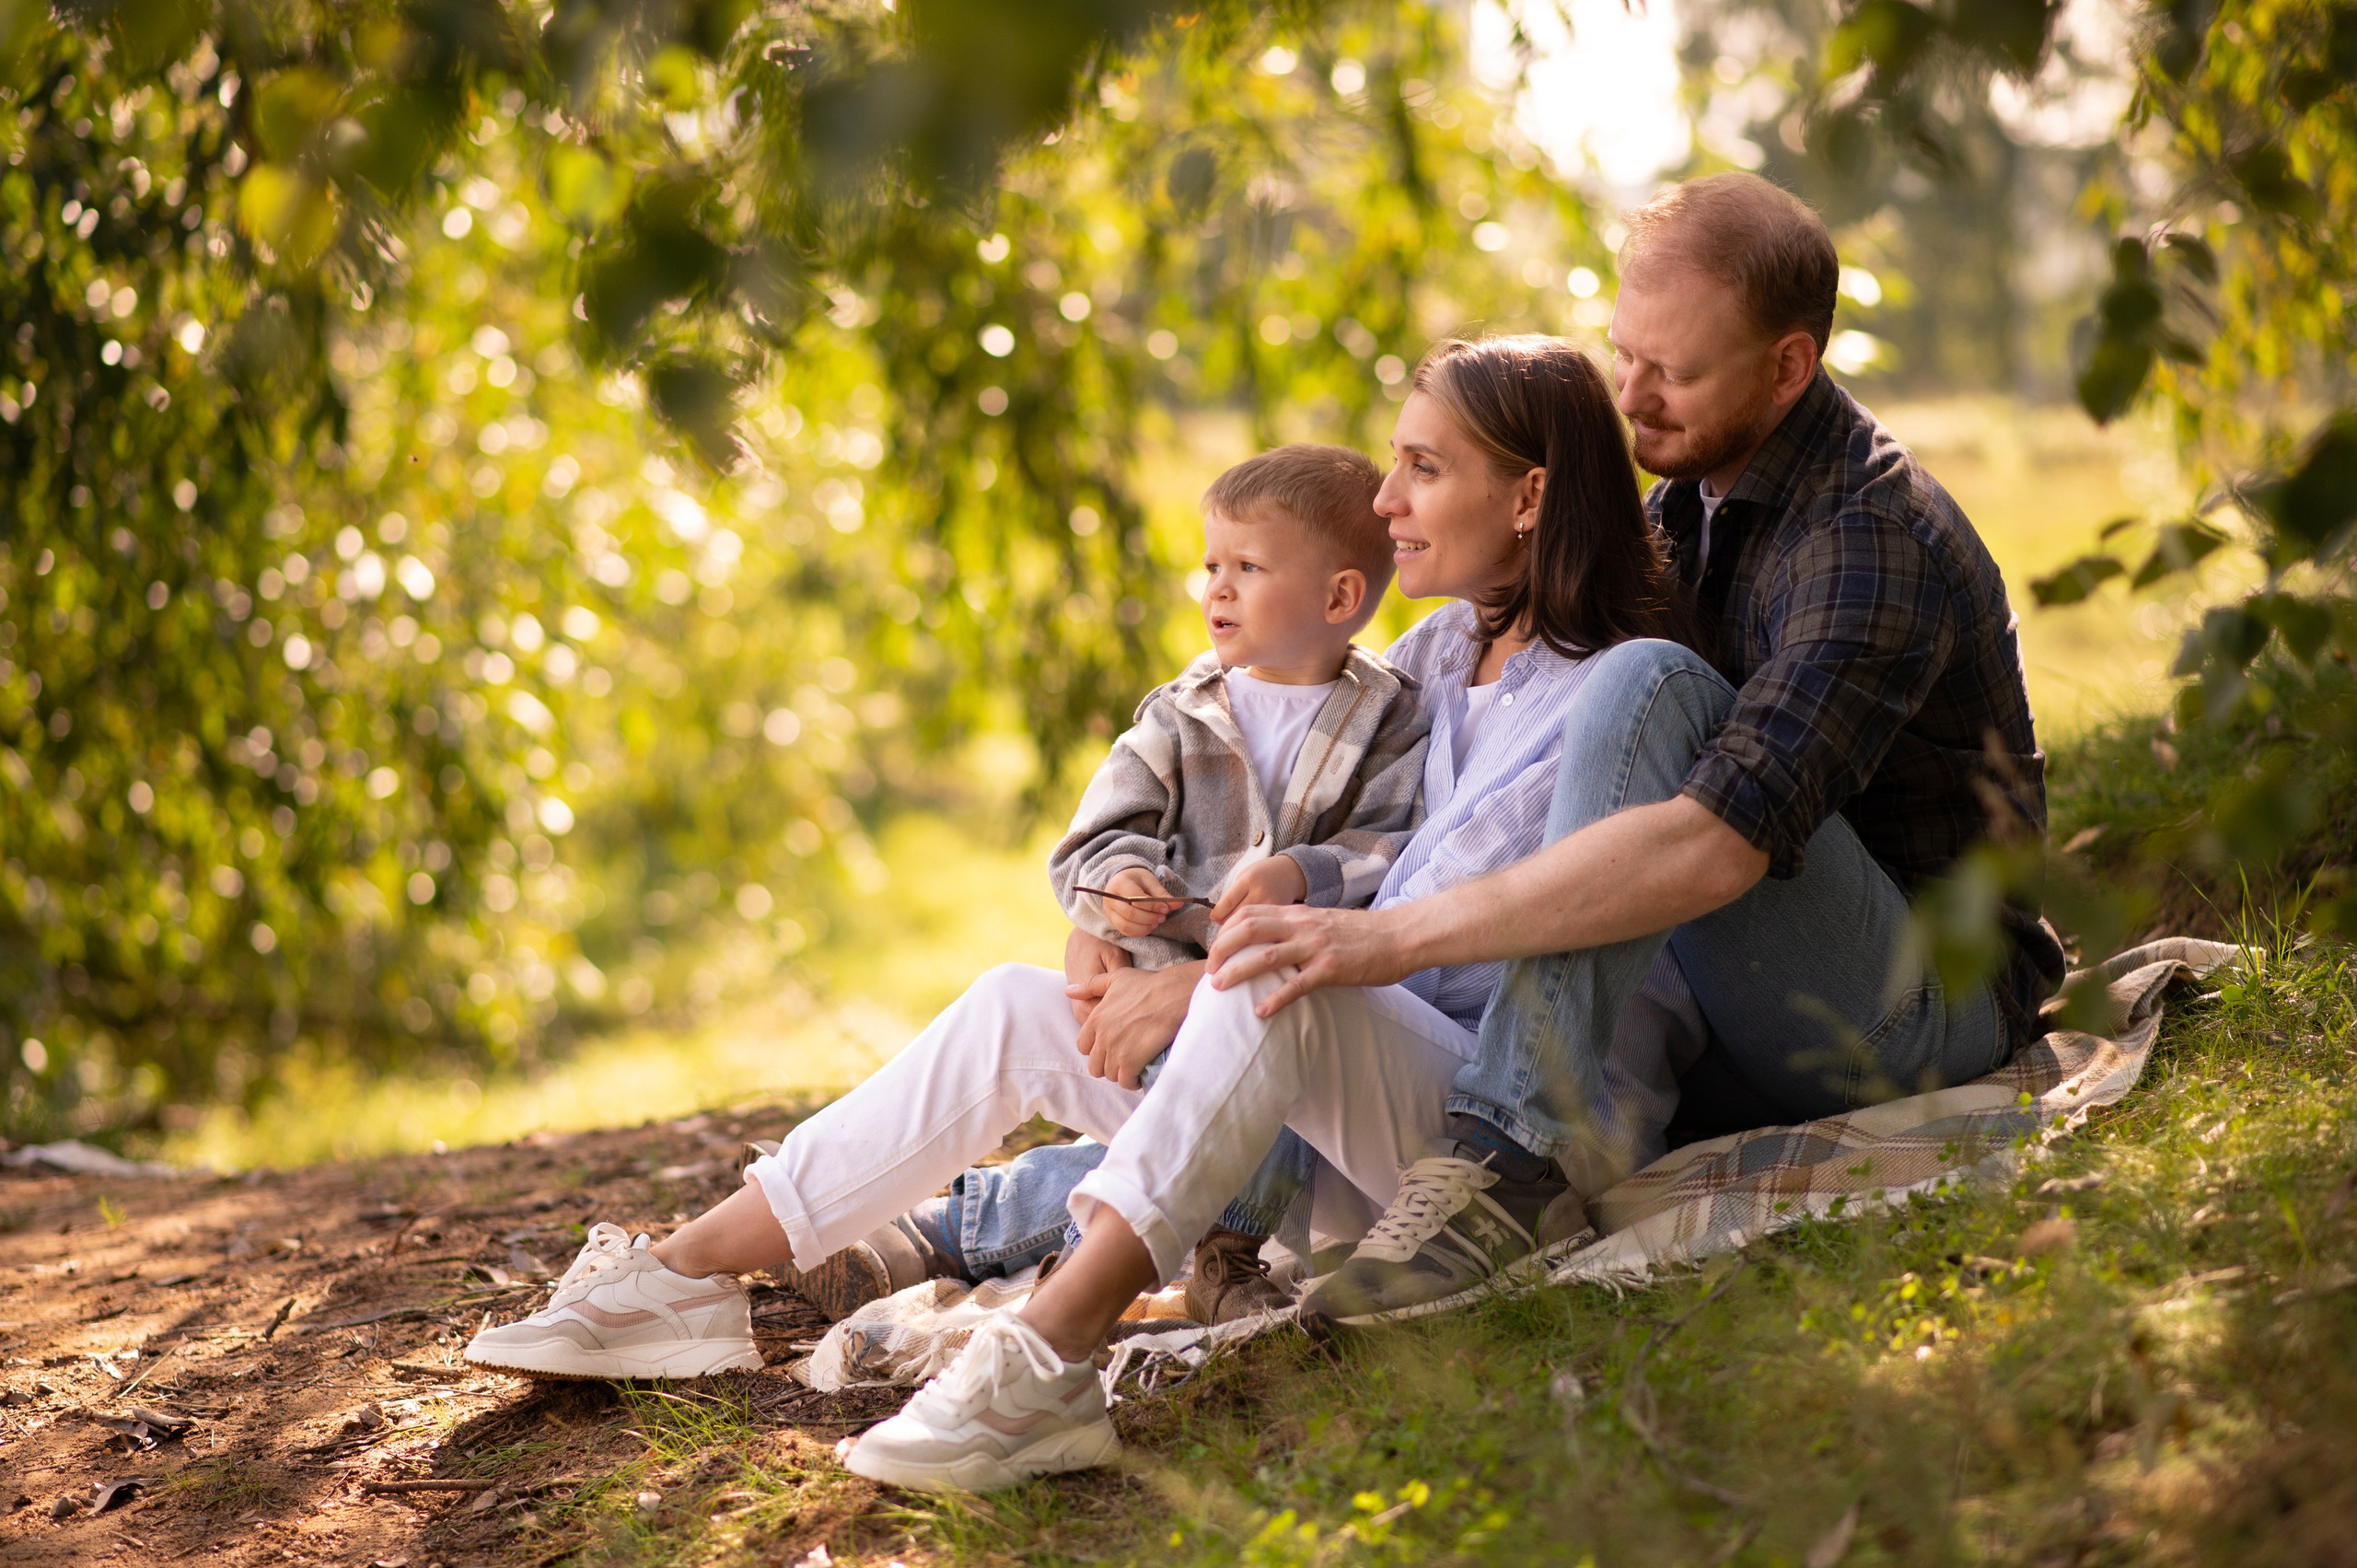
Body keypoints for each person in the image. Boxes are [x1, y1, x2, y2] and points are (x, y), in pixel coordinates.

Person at [464, 335, 1692, 1493]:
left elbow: (1434, 929)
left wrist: (1212, 967)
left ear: (1528, 498)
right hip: (1343, 1103)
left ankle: (1047, 1360)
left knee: (1270, 989)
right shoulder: (1430, 661)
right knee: (1017, 1003)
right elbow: (1334, 857)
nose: (1385, 500)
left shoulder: (1613, 699)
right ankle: (686, 1273)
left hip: (1492, 1133)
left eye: (1424, 469)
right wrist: (1140, 926)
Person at [1202, 172, 2066, 1330]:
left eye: (1675, 372)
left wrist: (1387, 934)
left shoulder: (1867, 540)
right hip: (1743, 996)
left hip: (1914, 1008)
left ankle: (1513, 1154)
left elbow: (1717, 845)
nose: (1632, 395)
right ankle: (1010, 1214)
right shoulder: (1687, 504)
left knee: (1641, 675)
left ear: (1788, 366)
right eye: (1624, 353)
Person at [775, 444, 1430, 1328]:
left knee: (1247, 1085)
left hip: (1278, 1025)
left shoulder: (1391, 715)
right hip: (1153, 1010)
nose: (1218, 590)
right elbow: (1095, 835)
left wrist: (1301, 871)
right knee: (1065, 1041)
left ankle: (1108, 1247)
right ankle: (831, 1210)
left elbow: (1391, 850)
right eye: (1210, 567)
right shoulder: (1180, 711)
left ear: (1341, 598)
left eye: (1248, 567)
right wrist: (1114, 884)